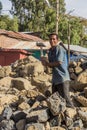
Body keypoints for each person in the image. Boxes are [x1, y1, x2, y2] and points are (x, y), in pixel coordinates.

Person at [41, 32, 74, 108]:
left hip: (62, 78)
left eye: (54, 39)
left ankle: (73, 116)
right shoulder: (50, 51)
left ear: (57, 40)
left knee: (66, 100)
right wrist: (45, 62)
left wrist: (47, 63)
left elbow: (59, 62)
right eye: (50, 39)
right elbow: (51, 65)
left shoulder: (59, 48)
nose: (52, 41)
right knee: (56, 101)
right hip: (55, 80)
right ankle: (59, 118)